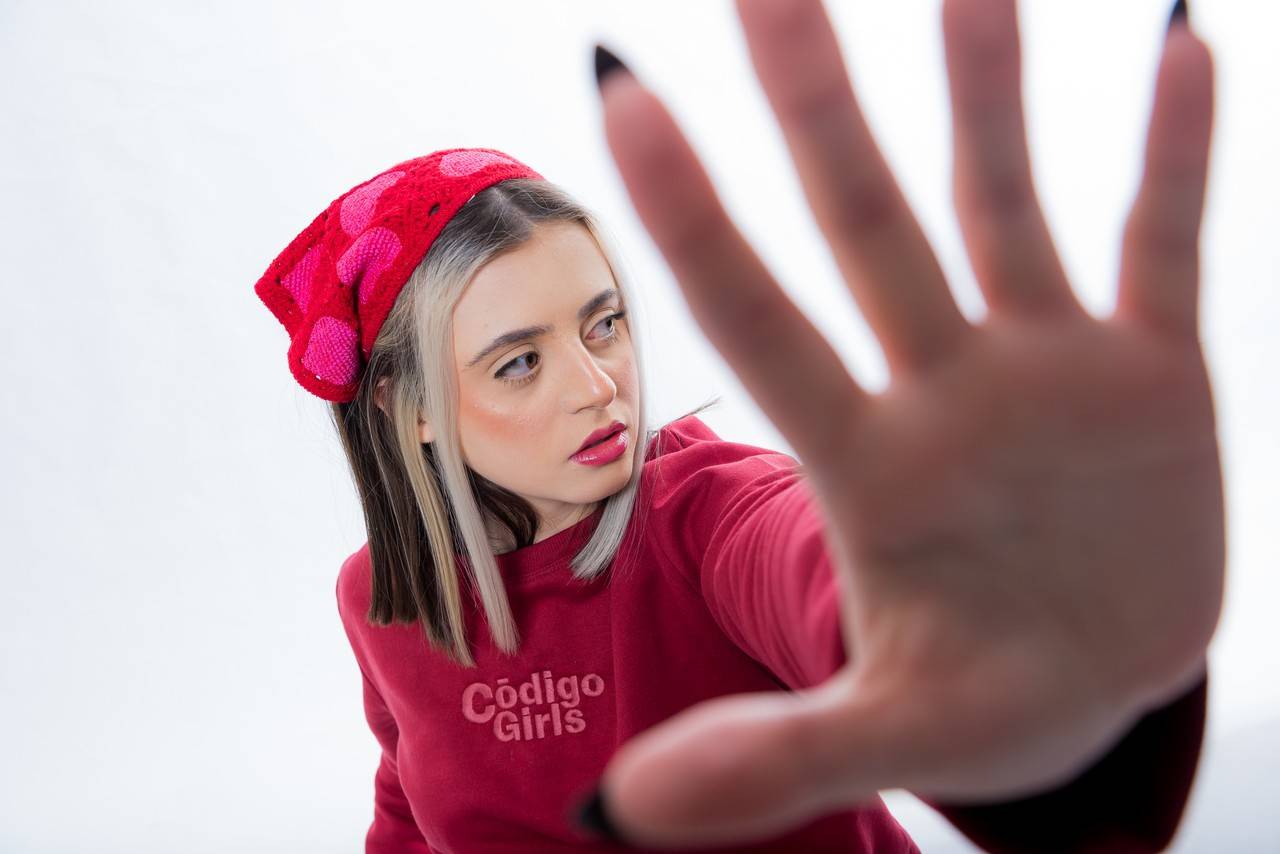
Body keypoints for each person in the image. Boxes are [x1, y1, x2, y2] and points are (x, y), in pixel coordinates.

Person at [252, 0, 1221, 850]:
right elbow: (409, 818)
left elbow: (800, 556)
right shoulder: (376, 596)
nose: (599, 385)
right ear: (404, 406)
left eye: (605, 323)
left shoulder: (707, 515)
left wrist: (1003, 626)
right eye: (519, 359)